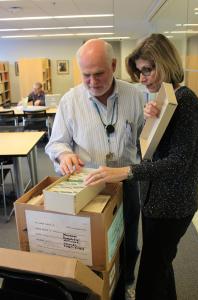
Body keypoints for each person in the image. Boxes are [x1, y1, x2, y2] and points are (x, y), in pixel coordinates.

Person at [84, 33, 198, 300]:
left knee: (150, 279)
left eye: (148, 70)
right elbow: (149, 149)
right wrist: (152, 121)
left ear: (165, 63)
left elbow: (179, 162)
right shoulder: (165, 99)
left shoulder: (186, 101)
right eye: (139, 72)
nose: (143, 78)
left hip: (172, 207)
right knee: (161, 269)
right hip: (155, 202)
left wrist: (127, 171)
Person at [45, 39, 144, 299]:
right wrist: (65, 155)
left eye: (99, 73)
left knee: (128, 244)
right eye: (86, 75)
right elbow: (56, 143)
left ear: (113, 65)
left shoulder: (135, 95)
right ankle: (96, 290)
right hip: (88, 188)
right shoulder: (70, 101)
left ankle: (127, 284)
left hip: (126, 183)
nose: (92, 81)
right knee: (93, 248)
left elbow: (147, 140)